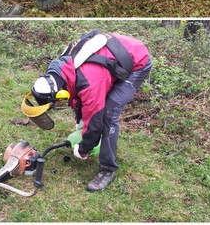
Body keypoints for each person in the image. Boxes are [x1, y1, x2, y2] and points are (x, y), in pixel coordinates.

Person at [30, 31, 152, 191]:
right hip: (113, 56)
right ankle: (94, 141)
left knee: (108, 113)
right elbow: (76, 92)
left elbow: (95, 119)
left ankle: (108, 169)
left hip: (138, 61)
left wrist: (83, 149)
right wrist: (81, 126)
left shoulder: (90, 81)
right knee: (94, 103)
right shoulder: (58, 69)